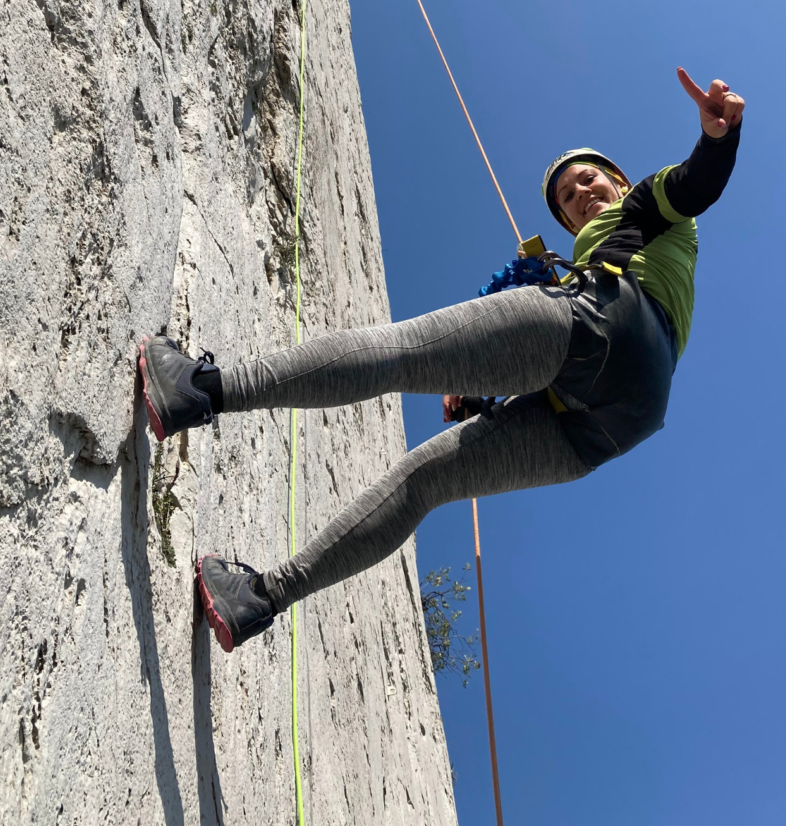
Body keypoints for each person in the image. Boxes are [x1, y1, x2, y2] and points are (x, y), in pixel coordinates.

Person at [137, 67, 745, 653]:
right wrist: (485, 394)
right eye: (566, 197)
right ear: (562, 221)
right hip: (617, 422)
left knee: (398, 353)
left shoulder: (649, 207)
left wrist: (718, 140)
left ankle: (199, 389)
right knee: (423, 482)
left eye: (589, 180)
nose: (580, 194)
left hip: (607, 321)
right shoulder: (619, 242)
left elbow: (696, 181)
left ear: (619, 179)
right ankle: (258, 599)